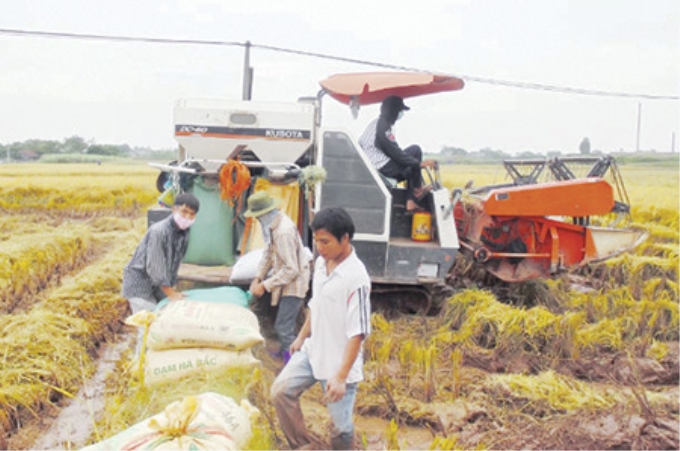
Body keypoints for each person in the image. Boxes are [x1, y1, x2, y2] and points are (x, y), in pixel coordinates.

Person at [271, 207, 371, 450]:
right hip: (312, 351)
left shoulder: (356, 278)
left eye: (325, 241)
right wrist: (302, 337)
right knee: (281, 392)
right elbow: (317, 304)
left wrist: (340, 377)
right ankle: (304, 446)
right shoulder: (320, 264)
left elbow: (357, 332)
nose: (319, 247)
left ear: (345, 238)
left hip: (339, 363)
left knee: (341, 428)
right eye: (316, 240)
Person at [121, 192, 200, 350]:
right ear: (174, 210)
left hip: (157, 286)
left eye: (192, 214)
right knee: (147, 329)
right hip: (140, 283)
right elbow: (155, 267)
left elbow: (173, 263)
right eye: (184, 211)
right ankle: (139, 369)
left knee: (161, 323)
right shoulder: (159, 231)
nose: (187, 217)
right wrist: (170, 294)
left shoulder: (184, 232)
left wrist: (172, 289)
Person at [246, 191, 311, 364]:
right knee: (282, 324)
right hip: (285, 279)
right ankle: (285, 352)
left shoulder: (283, 232)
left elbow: (292, 269)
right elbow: (268, 254)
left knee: (283, 327)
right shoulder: (272, 227)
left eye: (258, 217)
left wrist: (265, 286)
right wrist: (258, 277)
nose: (257, 220)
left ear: (265, 214)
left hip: (294, 283)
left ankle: (293, 362)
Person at [359, 95, 438, 212]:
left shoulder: (378, 124)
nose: (401, 114)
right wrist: (419, 164)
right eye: (400, 111)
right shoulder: (383, 126)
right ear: (393, 111)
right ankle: (417, 190)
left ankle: (411, 199)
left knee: (409, 166)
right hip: (382, 167)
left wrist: (413, 164)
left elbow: (394, 151)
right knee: (415, 150)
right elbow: (394, 152)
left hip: (378, 165)